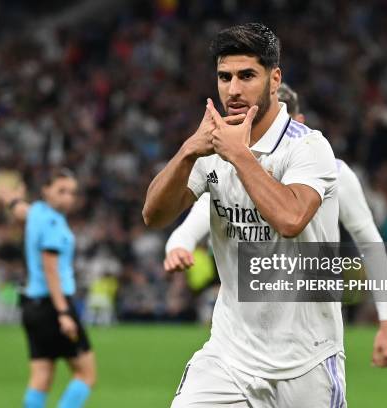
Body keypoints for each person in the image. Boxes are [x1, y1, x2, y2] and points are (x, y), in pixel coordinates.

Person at [144, 22, 348, 407]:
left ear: (275, 80)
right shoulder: (209, 148)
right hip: (229, 358)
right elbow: (153, 215)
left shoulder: (308, 148)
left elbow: (291, 218)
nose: (233, 90)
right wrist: (189, 151)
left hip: (306, 363)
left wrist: (238, 154)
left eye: (246, 76)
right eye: (224, 77)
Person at [164, 82, 387, 369]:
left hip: (308, 339)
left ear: (298, 124)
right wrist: (179, 244)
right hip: (241, 341)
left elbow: (368, 240)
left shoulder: (333, 172)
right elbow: (198, 215)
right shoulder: (226, 170)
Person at [0, 168, 95, 408]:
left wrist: (11, 199)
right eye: (61, 191)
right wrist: (64, 313)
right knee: (86, 374)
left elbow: (20, 209)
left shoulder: (37, 212)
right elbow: (50, 270)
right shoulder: (53, 222)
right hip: (54, 305)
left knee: (41, 377)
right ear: (45, 191)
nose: (67, 197)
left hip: (32, 306)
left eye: (71, 192)